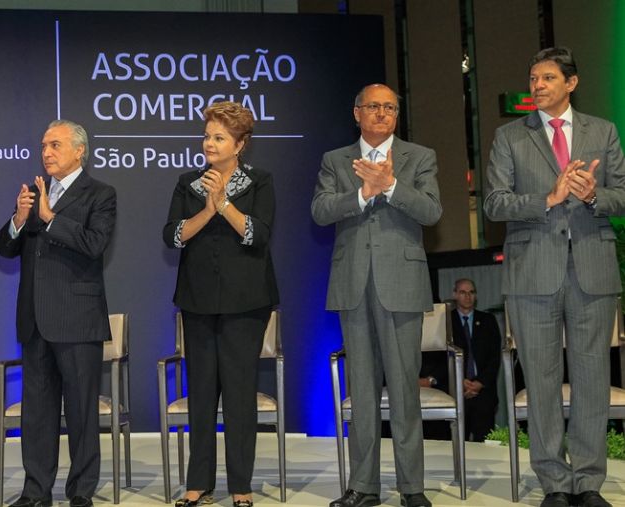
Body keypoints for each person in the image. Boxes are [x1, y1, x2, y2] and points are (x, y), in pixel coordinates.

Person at [484, 47, 625, 507]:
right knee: (541, 381)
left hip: (592, 268)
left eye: (547, 77)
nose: (538, 85)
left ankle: (587, 482)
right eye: (533, 78)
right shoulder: (510, 137)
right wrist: (549, 197)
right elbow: (495, 204)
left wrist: (591, 196)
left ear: (571, 83)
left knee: (591, 379)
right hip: (531, 273)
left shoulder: (601, 131)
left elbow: (621, 197)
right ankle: (554, 484)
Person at [311, 84, 442, 507]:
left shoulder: (418, 157)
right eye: (374, 107)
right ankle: (362, 486)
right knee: (361, 392)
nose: (382, 113)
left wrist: (389, 186)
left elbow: (431, 211)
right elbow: (321, 211)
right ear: (357, 113)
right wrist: (363, 194)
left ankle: (411, 488)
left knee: (405, 391)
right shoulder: (335, 160)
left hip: (402, 286)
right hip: (353, 285)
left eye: (390, 107)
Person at [162, 101, 279, 507]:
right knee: (201, 393)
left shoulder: (259, 182)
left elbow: (257, 235)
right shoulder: (188, 183)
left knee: (239, 395)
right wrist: (208, 207)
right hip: (197, 300)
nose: (208, 143)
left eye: (218, 137)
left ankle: (241, 486)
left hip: (246, 303)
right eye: (207, 135)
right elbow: (173, 236)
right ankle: (198, 484)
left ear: (240, 144)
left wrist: (224, 204)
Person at [0, 119, 116, 507]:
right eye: (44, 145)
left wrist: (50, 218)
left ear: (79, 150)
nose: (46, 152)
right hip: (35, 321)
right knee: (37, 415)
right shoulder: (33, 192)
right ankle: (36, 492)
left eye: (55, 145)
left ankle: (81, 491)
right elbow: (5, 248)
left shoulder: (100, 193)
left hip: (77, 319)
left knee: (81, 412)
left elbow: (95, 244)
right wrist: (19, 218)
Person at [418, 279, 501, 442]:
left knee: (484, 444)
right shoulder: (445, 321)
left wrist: (479, 383)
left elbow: (494, 358)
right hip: (454, 391)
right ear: (455, 295)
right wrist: (459, 381)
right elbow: (440, 358)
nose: (467, 296)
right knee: (455, 442)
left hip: (483, 393)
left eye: (471, 292)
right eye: (463, 292)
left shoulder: (488, 320)